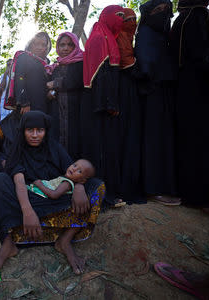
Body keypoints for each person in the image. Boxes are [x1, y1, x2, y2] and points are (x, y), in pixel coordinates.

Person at [0, 111, 105, 277]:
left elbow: (73, 171)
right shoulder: (18, 149)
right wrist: (28, 212)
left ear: (46, 131)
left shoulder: (54, 146)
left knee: (96, 185)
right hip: (28, 199)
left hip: (55, 197)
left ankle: (65, 240)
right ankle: (8, 244)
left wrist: (79, 187)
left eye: (39, 130)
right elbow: (19, 182)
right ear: (23, 131)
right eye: (30, 130)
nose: (35, 135)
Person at [171, 0, 209, 217]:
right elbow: (201, 53)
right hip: (205, 91)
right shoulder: (197, 17)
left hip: (190, 91)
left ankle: (196, 195)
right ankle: (205, 198)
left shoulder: (183, 19)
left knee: (194, 141)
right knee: (208, 142)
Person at [135, 0, 180, 205]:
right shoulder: (145, 31)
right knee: (154, 141)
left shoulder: (163, 36)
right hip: (152, 93)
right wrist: (152, 80)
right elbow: (145, 64)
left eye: (166, 10)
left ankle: (165, 186)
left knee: (165, 140)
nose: (164, 14)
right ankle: (153, 189)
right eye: (158, 10)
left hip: (165, 92)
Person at [80, 5, 125, 208]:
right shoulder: (100, 38)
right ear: (106, 16)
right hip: (99, 107)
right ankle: (102, 197)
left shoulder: (108, 37)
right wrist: (108, 104)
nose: (121, 20)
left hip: (105, 105)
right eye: (118, 16)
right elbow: (98, 76)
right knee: (99, 151)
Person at [115, 8, 143, 204]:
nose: (132, 23)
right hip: (124, 92)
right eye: (128, 19)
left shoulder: (129, 37)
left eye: (135, 19)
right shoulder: (121, 36)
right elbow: (127, 63)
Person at [45, 32, 84, 160]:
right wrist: (50, 93)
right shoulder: (55, 68)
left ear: (75, 46)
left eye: (69, 45)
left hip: (76, 112)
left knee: (76, 143)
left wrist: (54, 84)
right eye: (62, 45)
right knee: (57, 144)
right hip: (57, 114)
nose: (65, 48)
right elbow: (49, 89)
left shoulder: (80, 63)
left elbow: (76, 81)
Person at [10, 32, 51, 114]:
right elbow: (19, 79)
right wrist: (24, 103)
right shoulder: (24, 57)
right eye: (37, 44)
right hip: (28, 106)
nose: (40, 47)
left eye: (43, 45)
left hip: (43, 104)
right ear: (31, 44)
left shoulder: (47, 64)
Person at [29, 159, 95, 199]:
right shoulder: (64, 178)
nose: (74, 169)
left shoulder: (67, 183)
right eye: (75, 165)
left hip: (39, 194)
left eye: (79, 171)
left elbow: (54, 195)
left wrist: (40, 184)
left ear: (82, 180)